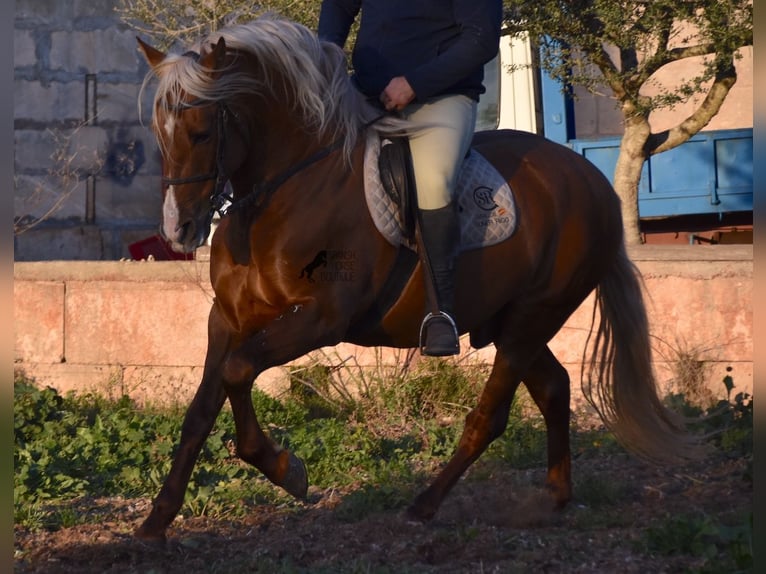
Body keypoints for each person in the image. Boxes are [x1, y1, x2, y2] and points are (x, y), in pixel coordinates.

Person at [318, 0, 503, 356]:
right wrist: (327, 54)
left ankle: (441, 312)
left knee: (433, 181)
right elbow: (339, 6)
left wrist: (415, 84)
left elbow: (480, 41)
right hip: (366, 95)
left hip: (441, 99)